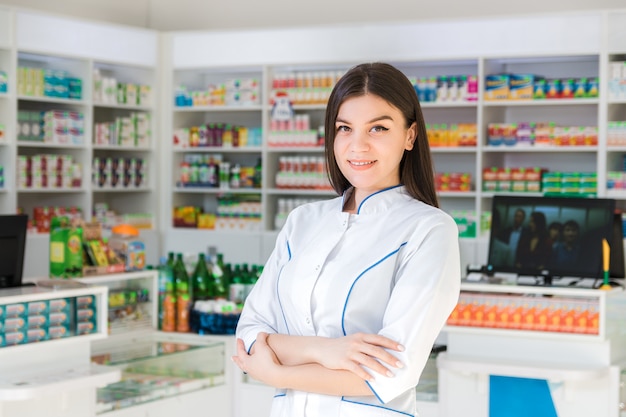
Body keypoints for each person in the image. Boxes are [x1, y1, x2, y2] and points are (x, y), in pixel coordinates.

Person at [232, 62, 461, 417]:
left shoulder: (429, 229)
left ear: (410, 135)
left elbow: (390, 373)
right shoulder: (302, 222)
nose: (358, 146)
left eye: (378, 128)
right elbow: (249, 334)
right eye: (345, 128)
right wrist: (326, 352)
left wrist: (277, 370)